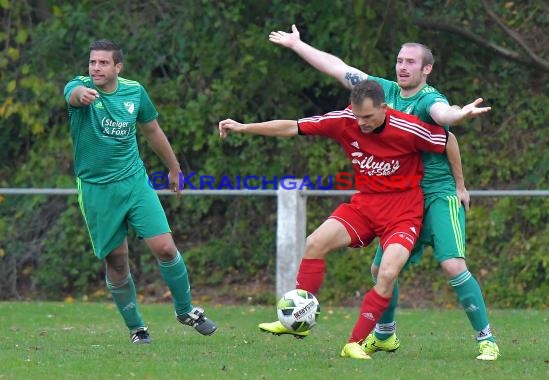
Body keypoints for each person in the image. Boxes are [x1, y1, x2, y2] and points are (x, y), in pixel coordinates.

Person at [267, 25, 499, 361]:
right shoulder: (380, 92)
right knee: (380, 272)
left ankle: (486, 339)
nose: (403, 66)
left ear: (426, 69)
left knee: (451, 265)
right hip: (400, 197)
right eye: (400, 60)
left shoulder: (430, 100)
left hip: (437, 193)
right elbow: (336, 67)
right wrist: (298, 45)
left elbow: (445, 124)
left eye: (411, 62)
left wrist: (459, 122)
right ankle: (385, 336)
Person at [220, 79, 449, 359]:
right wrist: (244, 127)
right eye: (357, 116)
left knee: (387, 273)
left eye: (368, 117)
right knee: (315, 242)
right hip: (365, 205)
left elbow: (449, 141)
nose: (361, 123)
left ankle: (354, 342)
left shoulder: (407, 127)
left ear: (384, 108)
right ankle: (298, 320)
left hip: (403, 213)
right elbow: (293, 126)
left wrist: (459, 185)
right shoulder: (343, 120)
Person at [63, 39, 216, 344]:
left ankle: (185, 311)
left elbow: (152, 130)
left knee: (165, 248)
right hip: (96, 189)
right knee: (117, 261)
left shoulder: (134, 92)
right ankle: (137, 329)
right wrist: (82, 96)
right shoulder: (80, 86)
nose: (96, 68)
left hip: (135, 182)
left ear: (117, 67)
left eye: (103, 63)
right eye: (93, 62)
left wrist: (174, 169)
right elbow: (73, 95)